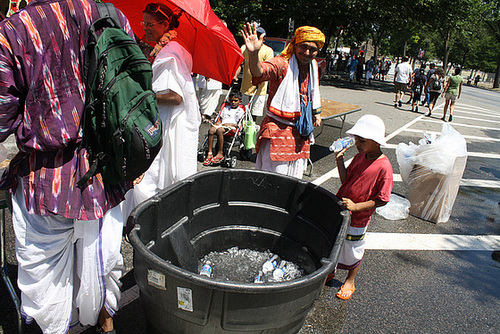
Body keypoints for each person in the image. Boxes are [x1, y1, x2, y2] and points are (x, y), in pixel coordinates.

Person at [0, 0, 136, 333]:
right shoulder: (112, 16)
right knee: (101, 262)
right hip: (105, 173)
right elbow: (131, 88)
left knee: (46, 280)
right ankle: (105, 323)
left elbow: (3, 112)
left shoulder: (16, 30)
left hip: (46, 179)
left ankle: (57, 328)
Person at [131, 3, 200, 205]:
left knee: (150, 179)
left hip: (166, 126)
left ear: (164, 24)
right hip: (163, 122)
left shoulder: (170, 54)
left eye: (150, 24)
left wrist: (142, 95)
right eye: (144, 22)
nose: (144, 27)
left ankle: (146, 223)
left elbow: (175, 96)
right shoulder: (174, 49)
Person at [241, 23, 324, 179]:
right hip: (277, 131)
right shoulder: (282, 63)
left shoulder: (313, 67)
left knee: (294, 182)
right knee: (272, 181)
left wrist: (315, 113)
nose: (307, 53)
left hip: (301, 133)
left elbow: (311, 93)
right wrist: (253, 54)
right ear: (295, 44)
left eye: (313, 49)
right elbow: (260, 71)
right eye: (303, 46)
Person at [326, 114, 393, 300]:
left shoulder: (384, 167)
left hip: (359, 216)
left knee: (353, 247)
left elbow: (383, 199)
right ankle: (332, 269)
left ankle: (350, 279)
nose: (357, 143)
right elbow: (346, 179)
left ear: (376, 141)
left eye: (362, 140)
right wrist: (339, 159)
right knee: (336, 242)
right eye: (357, 139)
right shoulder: (359, 156)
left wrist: (357, 207)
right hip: (343, 207)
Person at [235, 26, 274, 121]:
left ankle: (251, 132)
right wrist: (235, 76)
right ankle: (242, 131)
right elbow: (239, 64)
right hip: (245, 87)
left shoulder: (268, 51)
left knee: (253, 115)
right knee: (243, 113)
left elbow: (267, 70)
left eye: (260, 35)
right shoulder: (244, 48)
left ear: (264, 38)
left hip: (259, 90)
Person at [203, 91, 245, 166]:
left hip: (232, 126)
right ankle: (209, 152)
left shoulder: (240, 110)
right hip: (222, 124)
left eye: (235, 101)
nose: (233, 102)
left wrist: (228, 124)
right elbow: (222, 118)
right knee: (211, 130)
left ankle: (220, 152)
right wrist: (218, 123)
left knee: (219, 130)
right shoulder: (226, 108)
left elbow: (238, 123)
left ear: (240, 101)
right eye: (231, 100)